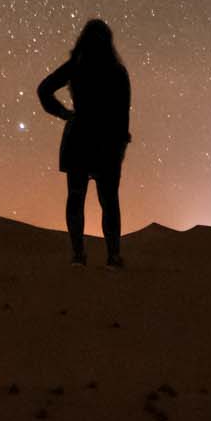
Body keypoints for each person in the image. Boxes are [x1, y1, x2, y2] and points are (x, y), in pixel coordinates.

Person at [36, 18, 131, 267]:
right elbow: (123, 114)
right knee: (108, 199)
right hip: (107, 141)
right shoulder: (117, 72)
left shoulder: (75, 67)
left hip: (79, 137)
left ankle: (79, 256)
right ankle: (112, 256)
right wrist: (120, 144)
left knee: (76, 197)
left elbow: (44, 90)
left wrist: (64, 113)